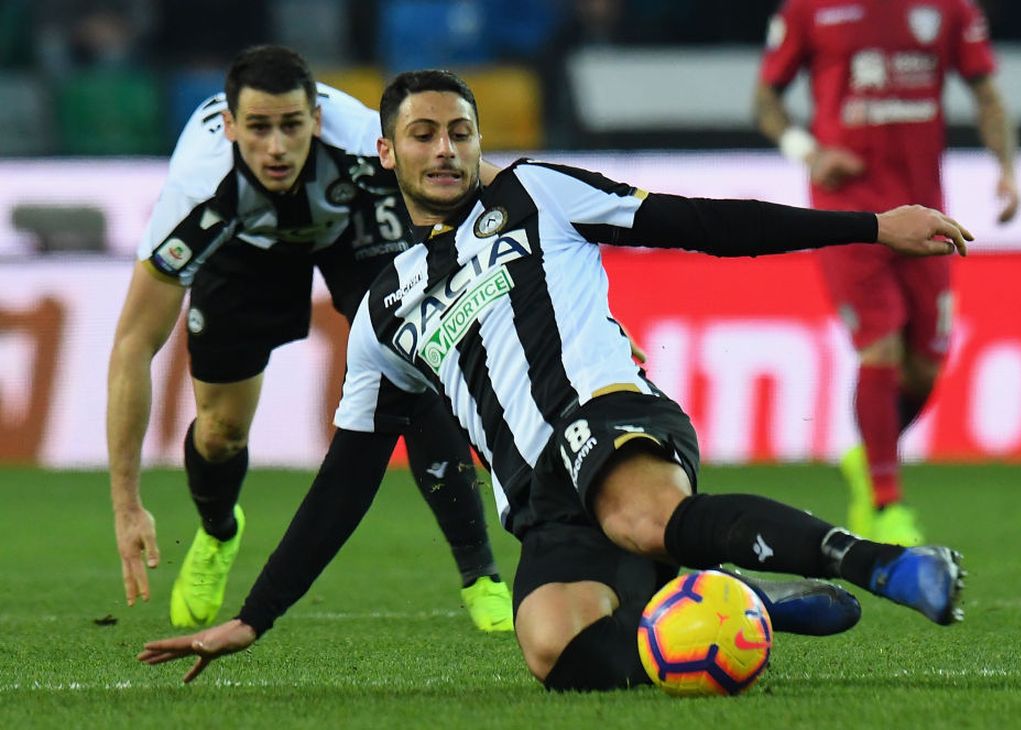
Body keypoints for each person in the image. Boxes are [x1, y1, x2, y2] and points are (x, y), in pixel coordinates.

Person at [138, 69, 970, 691]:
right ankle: (730, 605)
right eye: (423, 135)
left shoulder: (535, 192)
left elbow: (702, 222)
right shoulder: (384, 310)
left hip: (610, 413)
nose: (445, 150)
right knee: (549, 644)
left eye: (460, 132)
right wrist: (256, 616)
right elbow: (348, 478)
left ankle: (885, 564)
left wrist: (869, 227)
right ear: (385, 151)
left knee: (642, 516)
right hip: (539, 493)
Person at [107, 47, 512, 633]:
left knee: (417, 357)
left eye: (292, 126)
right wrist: (126, 504)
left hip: (350, 231)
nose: (276, 146)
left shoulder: (364, 141)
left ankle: (480, 574)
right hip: (242, 249)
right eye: (259, 128)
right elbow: (132, 345)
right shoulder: (198, 189)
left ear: (316, 120)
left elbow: (483, 184)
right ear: (230, 127)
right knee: (220, 433)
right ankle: (220, 532)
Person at [753, 0, 1020, 545]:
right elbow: (766, 100)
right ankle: (885, 504)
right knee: (881, 349)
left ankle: (869, 457)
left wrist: (1007, 171)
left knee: (925, 368)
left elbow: (987, 95)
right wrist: (809, 151)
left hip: (924, 212)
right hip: (847, 211)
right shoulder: (810, 10)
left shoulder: (949, 9)